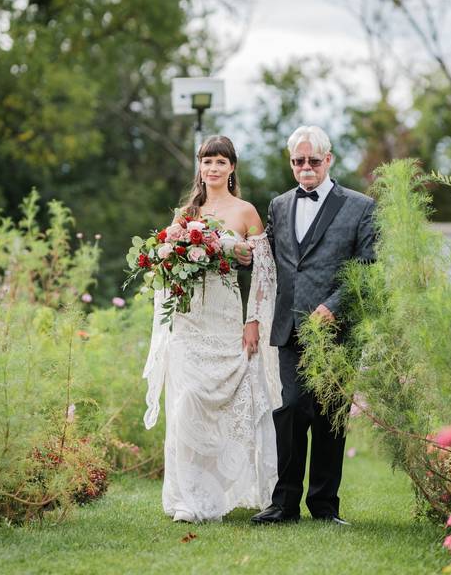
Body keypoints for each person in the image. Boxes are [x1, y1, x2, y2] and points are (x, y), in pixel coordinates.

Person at [142, 135, 281, 523]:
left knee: (227, 406)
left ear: (232, 167)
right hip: (188, 319)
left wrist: (252, 321)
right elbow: (166, 266)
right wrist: (168, 257)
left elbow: (264, 275)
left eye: (221, 161)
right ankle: (188, 499)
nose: (213, 168)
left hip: (224, 317)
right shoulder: (186, 213)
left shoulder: (246, 212)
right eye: (207, 161)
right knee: (186, 402)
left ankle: (222, 489)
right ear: (199, 168)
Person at [250, 125, 376, 525]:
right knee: (290, 410)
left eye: (313, 161)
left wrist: (335, 306)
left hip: (336, 330)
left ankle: (323, 506)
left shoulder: (360, 206)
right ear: (291, 163)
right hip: (289, 326)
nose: (306, 168)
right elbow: (268, 255)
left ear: (329, 160)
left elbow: (369, 268)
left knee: (330, 415)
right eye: (298, 161)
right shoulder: (279, 204)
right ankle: (283, 503)